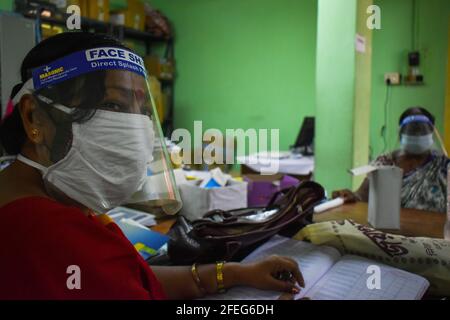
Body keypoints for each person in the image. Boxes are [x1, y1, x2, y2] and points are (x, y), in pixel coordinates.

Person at [0, 32, 304, 300]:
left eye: (143, 111)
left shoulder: (43, 198)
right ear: (34, 117)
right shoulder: (45, 230)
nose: (135, 127)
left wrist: (235, 273)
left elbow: (126, 279)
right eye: (113, 105)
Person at [333, 107, 449, 213]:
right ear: (400, 134)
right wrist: (350, 196)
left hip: (432, 232)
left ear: (432, 134)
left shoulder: (443, 166)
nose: (417, 135)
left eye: (421, 130)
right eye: (412, 130)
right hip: (388, 230)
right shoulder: (385, 162)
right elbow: (362, 196)